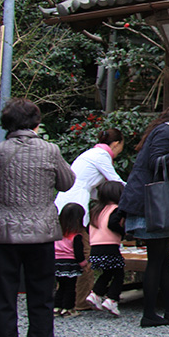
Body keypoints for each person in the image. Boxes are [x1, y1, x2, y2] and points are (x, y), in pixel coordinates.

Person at [0, 98, 75, 337]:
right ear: (36, 122)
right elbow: (67, 183)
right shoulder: (50, 150)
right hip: (40, 233)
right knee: (42, 294)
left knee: (2, 297)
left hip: (2, 233)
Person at [118, 101, 169, 327]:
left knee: (164, 254)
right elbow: (156, 162)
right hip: (149, 205)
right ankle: (149, 313)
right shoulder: (166, 131)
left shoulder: (163, 129)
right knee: (156, 258)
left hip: (149, 204)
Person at [54, 127, 126, 310]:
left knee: (63, 255)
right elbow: (116, 182)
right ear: (116, 144)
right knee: (82, 253)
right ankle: (79, 302)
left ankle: (61, 302)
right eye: (120, 148)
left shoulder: (89, 154)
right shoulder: (101, 156)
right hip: (75, 206)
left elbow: (95, 190)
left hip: (64, 205)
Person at [85, 180, 126, 317]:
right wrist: (123, 232)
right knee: (119, 274)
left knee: (107, 272)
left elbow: (87, 227)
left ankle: (95, 294)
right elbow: (113, 223)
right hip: (109, 246)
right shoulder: (115, 209)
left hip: (95, 247)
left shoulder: (96, 210)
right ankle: (112, 299)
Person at [54, 203, 87, 317]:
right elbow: (78, 253)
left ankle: (57, 307)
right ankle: (68, 308)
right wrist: (83, 263)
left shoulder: (57, 233)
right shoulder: (76, 236)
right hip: (70, 263)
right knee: (70, 287)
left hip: (57, 262)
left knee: (60, 286)